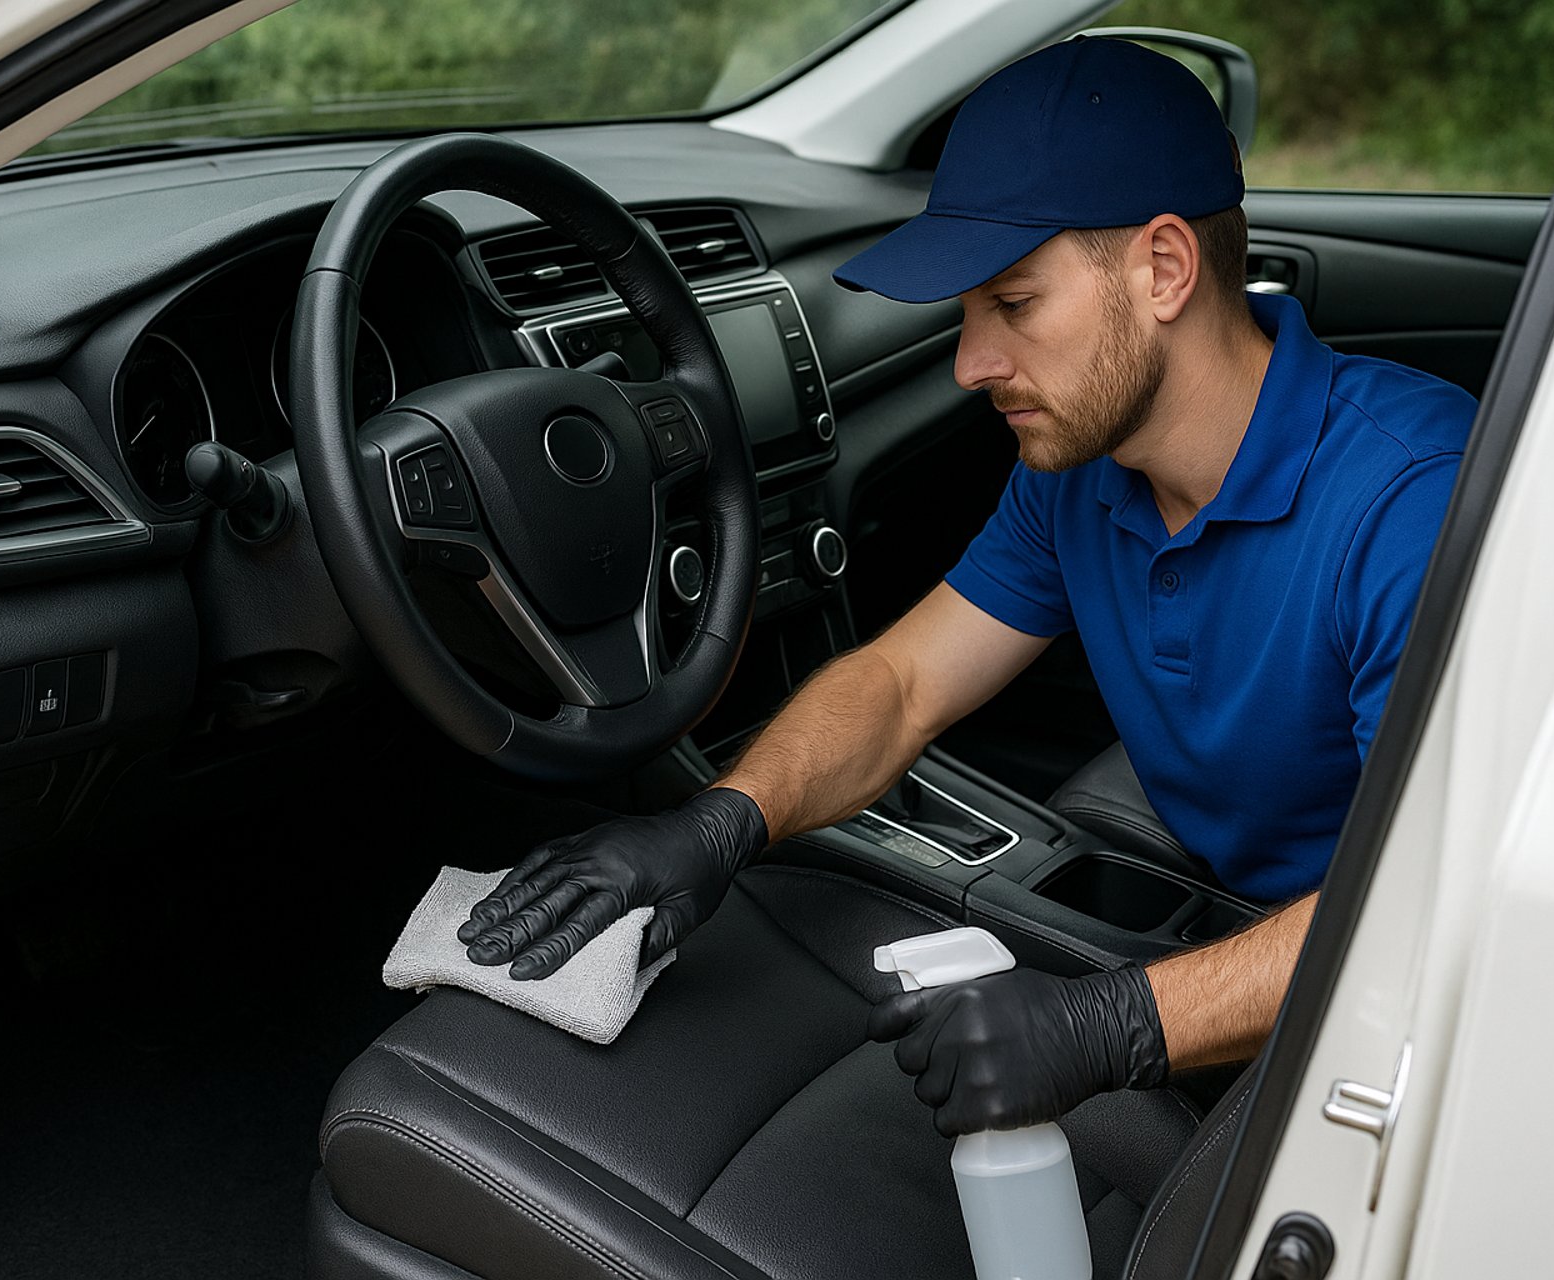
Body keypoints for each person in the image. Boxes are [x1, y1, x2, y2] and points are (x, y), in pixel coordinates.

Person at [457, 37, 1476, 1137]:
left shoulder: (1410, 506)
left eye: (1014, 303)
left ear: (1165, 269)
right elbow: (904, 684)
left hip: (1412, 998)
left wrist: (1114, 1024)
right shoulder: (1090, 465)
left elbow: (1434, 913)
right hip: (1247, 906)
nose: (969, 363)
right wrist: (719, 823)